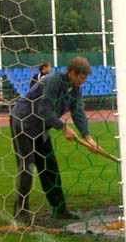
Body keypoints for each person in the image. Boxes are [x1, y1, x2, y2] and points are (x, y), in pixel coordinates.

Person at [10, 56, 101, 223]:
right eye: (81, 78)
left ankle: (60, 210)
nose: (83, 82)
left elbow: (78, 112)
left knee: (50, 167)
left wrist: (89, 138)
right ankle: (21, 211)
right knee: (27, 168)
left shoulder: (75, 89)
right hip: (23, 123)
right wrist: (63, 128)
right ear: (72, 73)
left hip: (41, 128)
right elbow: (43, 109)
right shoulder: (53, 81)